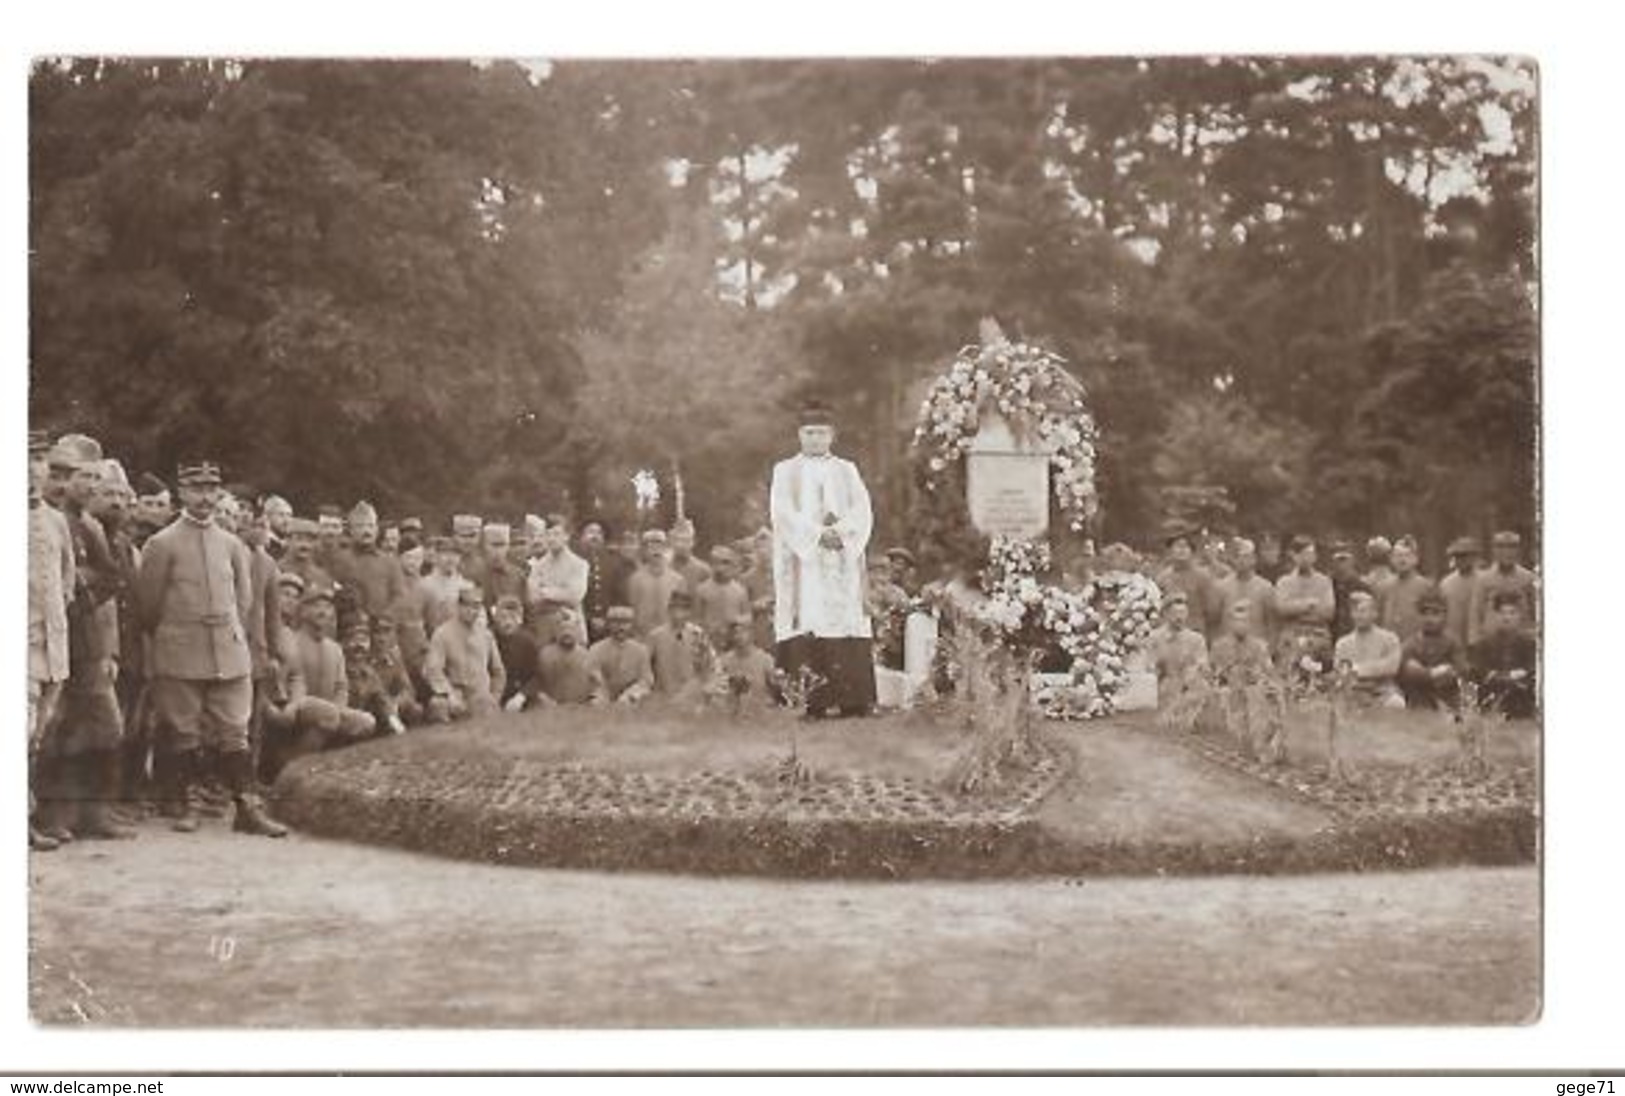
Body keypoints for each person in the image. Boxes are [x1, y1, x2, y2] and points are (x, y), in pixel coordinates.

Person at [134, 460, 285, 836]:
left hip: (228, 651)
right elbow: (148, 607)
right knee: (183, 730)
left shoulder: (232, 544)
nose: (205, 497)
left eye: (211, 489)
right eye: (196, 489)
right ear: (182, 492)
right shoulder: (162, 543)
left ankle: (247, 809)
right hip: (180, 650)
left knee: (236, 730)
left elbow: (244, 601)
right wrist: (173, 635)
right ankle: (187, 804)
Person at [41, 435, 135, 841]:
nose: (90, 486)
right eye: (84, 477)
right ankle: (54, 816)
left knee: (105, 728)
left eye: (96, 478)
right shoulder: (43, 519)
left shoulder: (91, 526)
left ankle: (96, 813)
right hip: (48, 642)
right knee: (57, 731)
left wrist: (79, 594)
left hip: (88, 642)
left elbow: (113, 577)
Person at [769, 399, 878, 718]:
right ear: (799, 435)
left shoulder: (847, 470)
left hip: (841, 561)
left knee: (845, 620)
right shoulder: (785, 471)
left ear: (832, 435)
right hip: (806, 563)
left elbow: (863, 509)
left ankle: (852, 701)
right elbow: (782, 512)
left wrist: (842, 534)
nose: (815, 439)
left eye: (821, 433)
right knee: (809, 620)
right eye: (809, 432)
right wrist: (817, 535)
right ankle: (811, 702)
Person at [261, 587, 378, 779]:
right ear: (303, 611)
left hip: (327, 712)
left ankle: (331, 767)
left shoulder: (335, 649)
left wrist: (339, 711)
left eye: (328, 607)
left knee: (365, 721)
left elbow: (342, 687)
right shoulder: (292, 641)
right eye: (316, 606)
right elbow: (290, 681)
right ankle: (291, 768)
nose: (323, 612)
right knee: (328, 714)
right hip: (295, 708)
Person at [28, 430, 75, 850]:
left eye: (38, 460)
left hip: (50, 645)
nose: (31, 470)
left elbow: (67, 582)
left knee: (36, 735)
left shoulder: (56, 520)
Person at [423, 582, 505, 722]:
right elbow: (433, 670)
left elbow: (498, 671)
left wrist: (495, 696)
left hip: (480, 695)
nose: (471, 611)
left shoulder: (486, 635)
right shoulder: (442, 634)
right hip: (455, 692)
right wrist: (450, 694)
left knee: (486, 710)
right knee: (438, 705)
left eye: (476, 607)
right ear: (458, 607)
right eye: (466, 606)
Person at [328, 501, 404, 625]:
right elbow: (332, 593)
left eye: (370, 525)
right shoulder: (340, 559)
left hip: (381, 627)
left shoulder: (390, 563)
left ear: (377, 530)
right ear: (351, 530)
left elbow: (399, 596)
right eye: (360, 526)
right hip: (349, 628)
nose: (366, 530)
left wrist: (385, 617)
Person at [1469, 590, 1538, 719]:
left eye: (1512, 613)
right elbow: (1478, 669)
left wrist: (1521, 673)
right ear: (1496, 616)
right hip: (1492, 694)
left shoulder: (1529, 644)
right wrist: (1497, 675)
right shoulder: (1484, 643)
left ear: (1519, 616)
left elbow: (1533, 667)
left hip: (1520, 697)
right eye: (1503, 613)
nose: (1507, 617)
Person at [1332, 591, 1404, 709]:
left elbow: (1391, 667)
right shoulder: (1343, 643)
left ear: (1374, 614)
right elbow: (1340, 670)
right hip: (1353, 691)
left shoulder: (1390, 639)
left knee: (1396, 703)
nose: (1359, 616)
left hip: (1382, 690)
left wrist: (1356, 668)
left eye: (1363, 611)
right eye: (1355, 611)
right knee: (1337, 706)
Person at [1273, 535, 1335, 673]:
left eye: (1311, 553)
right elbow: (1282, 608)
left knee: (1319, 678)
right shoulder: (1284, 582)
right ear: (1294, 556)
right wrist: (1309, 604)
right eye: (1303, 554)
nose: (1307, 558)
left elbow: (1328, 612)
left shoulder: (1324, 581)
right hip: (1292, 635)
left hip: (1318, 635)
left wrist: (1295, 608)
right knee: (1288, 677)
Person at [526, 515, 590, 647]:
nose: (551, 539)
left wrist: (545, 592)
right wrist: (561, 592)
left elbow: (575, 596)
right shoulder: (538, 566)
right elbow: (533, 597)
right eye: (548, 534)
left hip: (571, 627)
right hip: (545, 631)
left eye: (556, 534)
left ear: (566, 536)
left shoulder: (579, 564)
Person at [1398, 590, 1466, 712]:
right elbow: (1407, 672)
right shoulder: (1410, 644)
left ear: (1444, 616)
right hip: (1417, 699)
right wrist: (1433, 673)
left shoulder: (1452, 642)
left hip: (1447, 698)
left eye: (1435, 613)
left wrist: (1425, 673)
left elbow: (1459, 671)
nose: (1429, 619)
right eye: (1424, 613)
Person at [1468, 531, 1538, 646]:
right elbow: (1475, 612)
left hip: (1521, 641)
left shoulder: (1528, 578)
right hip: (1490, 641)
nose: (1507, 552)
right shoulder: (1483, 579)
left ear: (1518, 551)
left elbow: (1536, 610)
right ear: (1495, 551)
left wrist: (1535, 635)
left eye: (1512, 548)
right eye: (1501, 547)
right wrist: (1474, 641)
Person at [647, 589, 714, 698]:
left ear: (689, 612)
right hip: (663, 693)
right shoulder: (656, 636)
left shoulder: (697, 634)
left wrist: (700, 688)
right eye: (674, 608)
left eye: (683, 609)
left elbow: (708, 665)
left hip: (691, 694)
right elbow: (647, 668)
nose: (678, 613)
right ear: (668, 610)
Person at [1155, 528, 1219, 640]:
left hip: (1195, 634)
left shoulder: (1203, 577)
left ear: (1191, 551)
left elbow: (1212, 612)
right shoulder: (1162, 578)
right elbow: (1157, 609)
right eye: (1177, 546)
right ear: (1171, 550)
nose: (1182, 550)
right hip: (1168, 636)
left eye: (1186, 546)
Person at [1213, 536, 1276, 648]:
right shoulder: (1221, 587)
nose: (1241, 561)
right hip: (1228, 649)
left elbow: (1272, 623)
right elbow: (1214, 621)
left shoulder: (1265, 587)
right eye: (1237, 557)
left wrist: (1269, 648)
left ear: (1254, 559)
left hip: (1257, 649)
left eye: (1246, 557)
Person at [587, 605, 654, 706]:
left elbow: (646, 679)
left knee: (636, 702)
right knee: (596, 704)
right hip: (605, 691)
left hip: (631, 694)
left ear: (632, 625)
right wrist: (602, 686)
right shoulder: (596, 649)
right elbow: (592, 673)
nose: (621, 627)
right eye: (616, 623)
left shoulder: (641, 650)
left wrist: (630, 694)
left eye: (625, 623)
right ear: (608, 624)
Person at [533, 610, 601, 706]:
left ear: (578, 631)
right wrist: (543, 697)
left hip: (580, 705)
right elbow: (536, 682)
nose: (566, 632)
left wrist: (593, 698)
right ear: (555, 631)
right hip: (551, 704)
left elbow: (597, 684)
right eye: (562, 629)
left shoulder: (587, 655)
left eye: (571, 629)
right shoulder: (544, 655)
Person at [1150, 593, 1208, 703]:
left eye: (1183, 613)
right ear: (1166, 614)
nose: (1179, 617)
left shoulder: (1196, 639)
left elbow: (1202, 666)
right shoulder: (1155, 638)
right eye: (1175, 613)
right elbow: (1149, 665)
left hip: (1188, 691)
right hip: (1161, 691)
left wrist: (1188, 678)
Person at [627, 529, 686, 638]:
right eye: (651, 547)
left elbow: (681, 612)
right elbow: (633, 610)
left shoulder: (677, 580)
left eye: (660, 546)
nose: (656, 551)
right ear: (644, 551)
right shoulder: (635, 579)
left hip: (669, 636)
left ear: (666, 549)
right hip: (643, 636)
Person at [712, 616, 778, 709]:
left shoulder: (765, 660)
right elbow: (717, 690)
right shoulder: (724, 661)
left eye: (743, 632)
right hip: (731, 714)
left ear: (751, 634)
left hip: (759, 714)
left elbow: (775, 692)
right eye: (735, 633)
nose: (738, 636)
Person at [694, 545, 752, 648]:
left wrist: (737, 620)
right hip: (709, 643)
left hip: (733, 643)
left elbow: (748, 616)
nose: (721, 568)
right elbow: (696, 620)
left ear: (732, 565)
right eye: (716, 563)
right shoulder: (702, 590)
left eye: (725, 563)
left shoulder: (740, 591)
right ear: (711, 565)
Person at [490, 594, 541, 711]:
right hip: (493, 692)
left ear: (520, 619)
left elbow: (536, 677)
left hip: (519, 692)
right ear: (496, 618)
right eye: (503, 617)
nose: (508, 622)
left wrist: (520, 697)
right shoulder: (488, 638)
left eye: (513, 617)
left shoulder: (528, 641)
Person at [1209, 600, 1274, 687]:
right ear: (1230, 623)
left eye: (1244, 621)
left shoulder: (1260, 647)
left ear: (1250, 623)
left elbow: (1268, 675)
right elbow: (1212, 676)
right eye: (1237, 620)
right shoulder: (1218, 647)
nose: (1240, 624)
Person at [1439, 536, 1482, 651]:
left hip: (1480, 641)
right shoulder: (1446, 583)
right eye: (1457, 556)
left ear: (1474, 557)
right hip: (1453, 640)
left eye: (1465, 556)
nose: (1461, 560)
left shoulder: (1483, 580)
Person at [420, 536, 467, 637]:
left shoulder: (466, 586)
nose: (450, 559)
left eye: (455, 554)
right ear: (436, 556)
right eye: (445, 554)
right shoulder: (424, 585)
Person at [577, 521, 615, 643]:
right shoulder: (575, 562)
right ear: (582, 537)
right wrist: (589, 618)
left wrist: (606, 619)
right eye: (590, 532)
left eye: (599, 533)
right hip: (581, 624)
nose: (595, 536)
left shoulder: (613, 563)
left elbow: (618, 596)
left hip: (609, 626)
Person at [280, 517, 336, 597]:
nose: (305, 545)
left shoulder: (322, 576)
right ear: (287, 541)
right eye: (299, 539)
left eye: (310, 541)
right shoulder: (275, 570)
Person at [1327, 541, 1372, 641]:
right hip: (1332, 636)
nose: (1341, 563)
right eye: (1338, 559)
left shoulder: (1362, 586)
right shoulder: (1327, 585)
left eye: (1344, 559)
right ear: (1332, 562)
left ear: (1352, 560)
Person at [478, 522, 526, 607]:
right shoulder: (476, 573)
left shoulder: (518, 575)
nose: (498, 551)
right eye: (494, 545)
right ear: (484, 546)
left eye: (502, 545)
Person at [669, 518, 712, 595]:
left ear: (693, 542)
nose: (680, 545)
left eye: (685, 540)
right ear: (671, 542)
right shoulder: (664, 568)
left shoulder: (703, 570)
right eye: (677, 540)